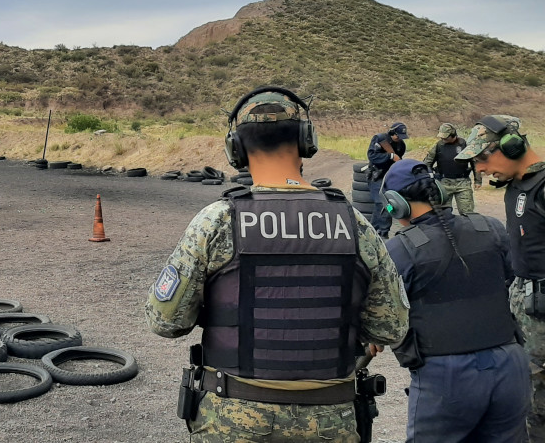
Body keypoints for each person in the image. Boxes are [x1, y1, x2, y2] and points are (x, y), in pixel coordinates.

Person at [145, 86, 409, 442]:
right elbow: (390, 328)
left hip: (233, 418)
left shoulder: (217, 221)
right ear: (307, 141)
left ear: (235, 150)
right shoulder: (354, 223)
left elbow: (166, 321)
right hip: (330, 419)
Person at [379, 158, 530, 442]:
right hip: (510, 365)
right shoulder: (490, 227)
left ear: (396, 204)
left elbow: (380, 312)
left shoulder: (400, 249)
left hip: (447, 374)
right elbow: (512, 279)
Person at [456, 116, 545, 442]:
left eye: (482, 158)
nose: (479, 169)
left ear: (512, 146)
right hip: (533, 329)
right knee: (536, 414)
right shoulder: (518, 188)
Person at [422, 123, 482, 215]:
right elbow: (427, 163)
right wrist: (428, 180)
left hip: (463, 183)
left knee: (467, 213)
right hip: (444, 183)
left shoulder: (464, 145)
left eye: (445, 137)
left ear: (453, 135)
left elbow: (475, 163)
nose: (443, 139)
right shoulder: (438, 146)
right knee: (443, 213)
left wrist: (478, 180)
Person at [367, 122, 409, 238]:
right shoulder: (380, 139)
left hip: (390, 177)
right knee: (382, 203)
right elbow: (372, 156)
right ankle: (379, 231)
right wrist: (389, 156)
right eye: (398, 136)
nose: (399, 139)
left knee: (390, 204)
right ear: (392, 133)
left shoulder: (401, 145)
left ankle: (379, 231)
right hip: (377, 176)